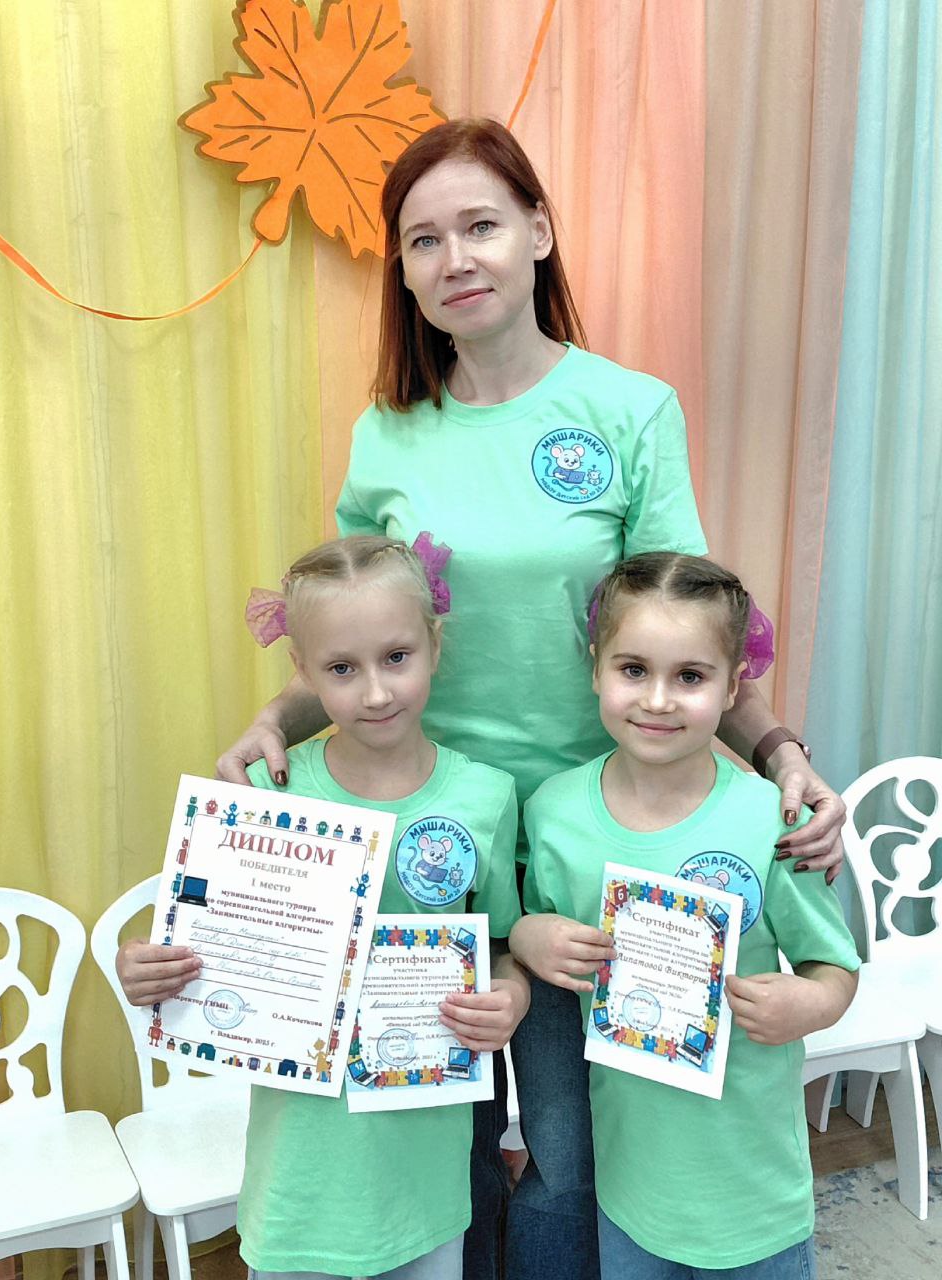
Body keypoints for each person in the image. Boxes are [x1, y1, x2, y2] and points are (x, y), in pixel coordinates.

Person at [214, 119, 849, 1280]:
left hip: (590, 850)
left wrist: (780, 752)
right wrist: (272, 720)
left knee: (568, 1147)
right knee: (433, 1141)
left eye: (482, 225)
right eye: (424, 239)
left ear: (540, 231)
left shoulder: (630, 410)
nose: (455, 257)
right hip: (427, 845)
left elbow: (689, 628)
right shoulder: (386, 431)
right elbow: (357, 632)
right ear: (402, 270)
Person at [116, 535, 529, 1280]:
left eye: (396, 657)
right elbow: (197, 939)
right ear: (303, 672)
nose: (376, 693)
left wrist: (512, 995)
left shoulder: (487, 796)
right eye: (342, 668)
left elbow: (499, 944)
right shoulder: (264, 794)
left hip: (425, 1187)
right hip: (299, 1184)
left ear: (435, 647)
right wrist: (145, 967)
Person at [511, 552, 860, 1278]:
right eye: (633, 669)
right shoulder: (553, 813)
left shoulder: (773, 820)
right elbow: (534, 924)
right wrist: (528, 935)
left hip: (755, 1190)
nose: (658, 700)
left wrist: (811, 1002)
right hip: (630, 1188)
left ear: (733, 686)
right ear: (595, 667)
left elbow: (835, 966)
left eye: (691, 677)